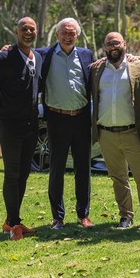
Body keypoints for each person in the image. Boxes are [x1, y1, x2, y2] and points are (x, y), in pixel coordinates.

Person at [0, 17, 41, 241]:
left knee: (24, 174)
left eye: (32, 29)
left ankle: (11, 220)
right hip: (10, 124)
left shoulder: (39, 57)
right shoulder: (5, 57)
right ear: (16, 32)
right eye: (24, 28)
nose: (28, 32)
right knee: (12, 174)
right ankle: (14, 224)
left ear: (36, 32)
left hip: (31, 125)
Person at [90, 32, 140, 230]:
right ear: (104, 48)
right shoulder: (96, 70)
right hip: (106, 134)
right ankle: (125, 217)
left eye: (116, 43)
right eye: (108, 43)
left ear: (124, 44)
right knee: (118, 178)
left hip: (133, 133)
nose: (113, 47)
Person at [38, 18, 94, 230]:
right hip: (56, 119)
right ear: (57, 34)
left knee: (83, 169)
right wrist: (7, 49)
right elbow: (22, 53)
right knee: (57, 169)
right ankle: (57, 218)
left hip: (81, 118)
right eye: (64, 32)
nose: (68, 36)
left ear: (77, 35)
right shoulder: (45, 54)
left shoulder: (87, 55)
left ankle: (83, 215)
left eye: (72, 33)